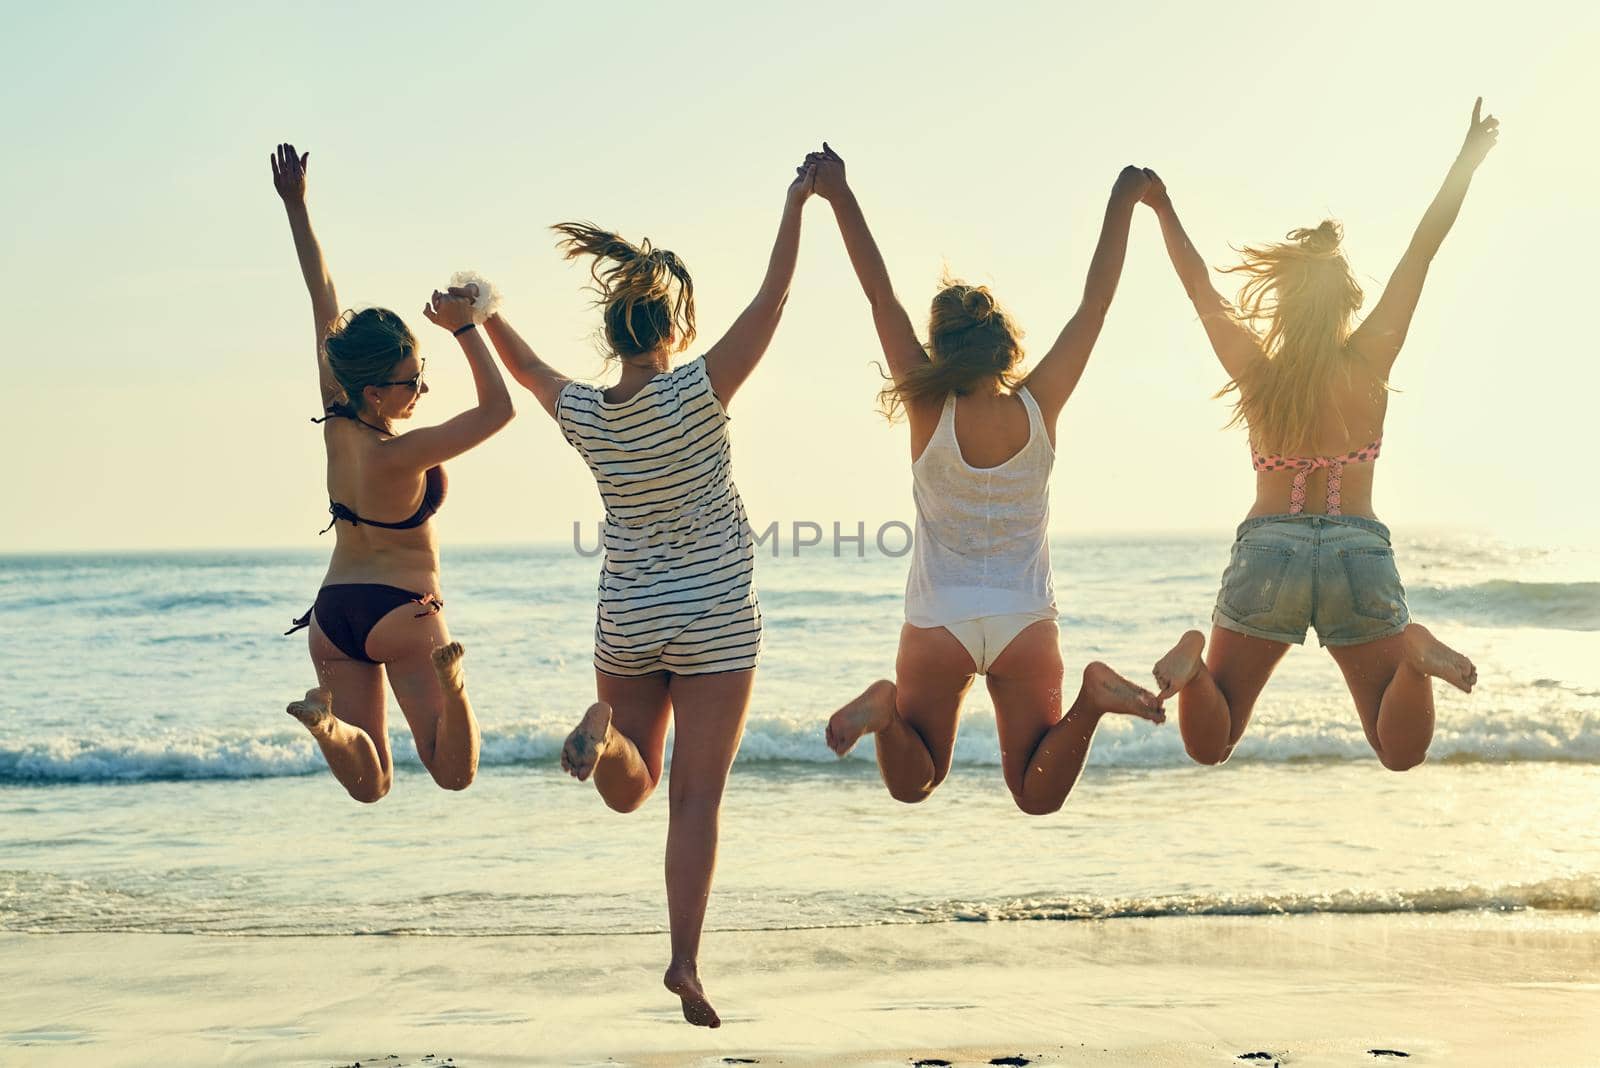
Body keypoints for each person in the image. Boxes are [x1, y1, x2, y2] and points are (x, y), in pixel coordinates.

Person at [474, 153, 817, 1027]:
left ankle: (610, 735)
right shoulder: (701, 392)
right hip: (714, 623)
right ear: (671, 330)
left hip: (629, 619)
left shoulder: (588, 414)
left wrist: (480, 316)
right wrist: (796, 202)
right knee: (694, 802)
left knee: (632, 787)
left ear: (616, 334)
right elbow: (771, 302)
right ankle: (686, 964)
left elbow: (528, 372)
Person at [816, 144, 1165, 815]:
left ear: (940, 350)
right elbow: (1095, 306)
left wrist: (839, 195)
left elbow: (877, 294)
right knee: (1036, 794)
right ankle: (1093, 701)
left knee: (914, 781)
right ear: (1000, 344)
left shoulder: (926, 407)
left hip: (937, 619)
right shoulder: (1039, 406)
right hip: (1023, 617)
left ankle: (885, 712)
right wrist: (1125, 199)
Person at [1145, 100, 1495, 769]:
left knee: (1212, 742)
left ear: (1283, 301)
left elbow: (1201, 291)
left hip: (1268, 552)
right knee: (1398, 749)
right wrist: (1466, 162)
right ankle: (1414, 660)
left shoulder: (1258, 374)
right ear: (1347, 300)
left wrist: (1161, 207)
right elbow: (1422, 251)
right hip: (1355, 556)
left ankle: (1192, 665)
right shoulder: (1370, 363)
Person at [271, 142, 514, 802]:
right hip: (402, 612)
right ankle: (454, 682)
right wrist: (466, 330)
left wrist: (297, 205)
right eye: (414, 381)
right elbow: (500, 410)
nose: (422, 393)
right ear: (376, 389)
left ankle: (330, 729)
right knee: (453, 773)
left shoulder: (336, 408)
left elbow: (322, 294)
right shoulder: (395, 453)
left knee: (371, 783)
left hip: (333, 617)